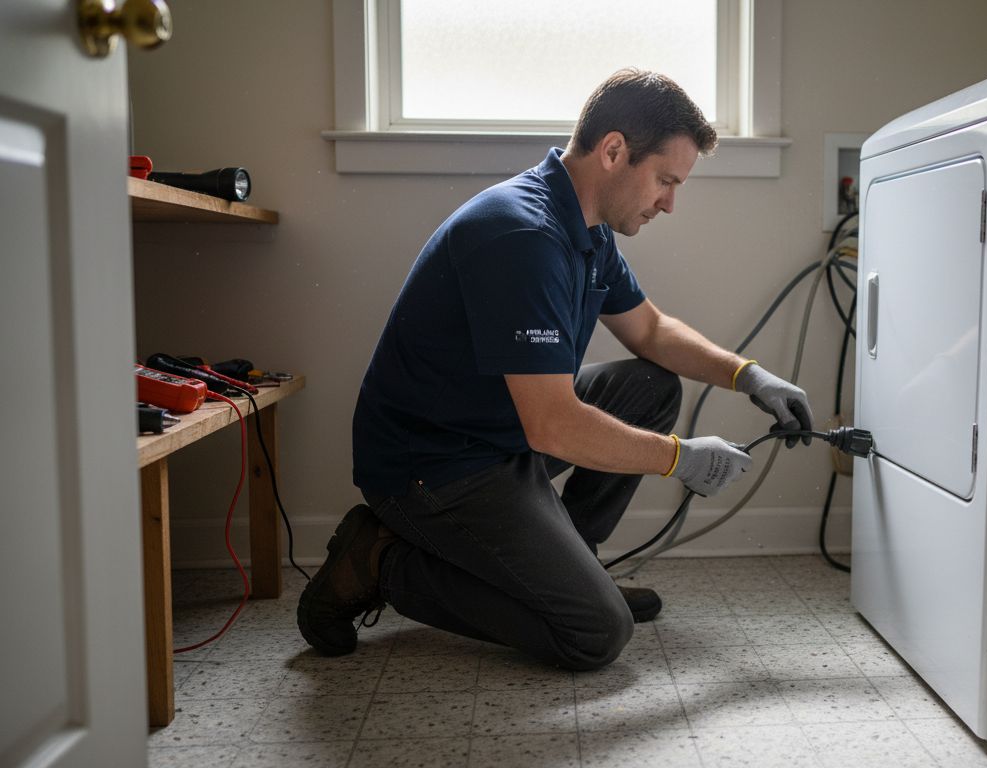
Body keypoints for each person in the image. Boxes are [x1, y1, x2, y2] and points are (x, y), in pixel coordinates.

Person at [297, 68, 814, 670]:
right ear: (614, 151)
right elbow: (553, 427)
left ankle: (572, 561)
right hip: (433, 467)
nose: (670, 203)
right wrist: (680, 457)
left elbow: (648, 330)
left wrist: (748, 375)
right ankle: (380, 561)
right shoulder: (522, 235)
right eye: (666, 181)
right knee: (594, 633)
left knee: (647, 385)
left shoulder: (588, 230)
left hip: (498, 437)